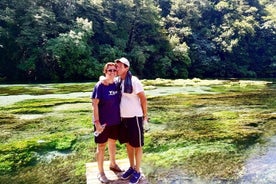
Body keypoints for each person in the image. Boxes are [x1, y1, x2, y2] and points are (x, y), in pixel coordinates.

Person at [115, 57, 148, 184]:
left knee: (137, 145)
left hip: (135, 118)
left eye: (119, 66)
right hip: (123, 119)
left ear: (126, 68)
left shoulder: (134, 81)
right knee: (128, 144)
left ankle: (138, 171)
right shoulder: (118, 81)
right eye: (116, 66)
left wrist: (145, 116)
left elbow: (143, 99)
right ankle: (131, 167)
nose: (117, 68)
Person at [91, 62, 123, 183]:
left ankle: (113, 164)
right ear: (105, 72)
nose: (112, 72)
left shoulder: (117, 84)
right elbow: (94, 105)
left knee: (112, 143)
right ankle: (101, 172)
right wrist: (97, 122)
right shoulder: (99, 86)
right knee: (101, 146)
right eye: (109, 70)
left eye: (114, 70)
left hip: (115, 121)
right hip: (102, 123)